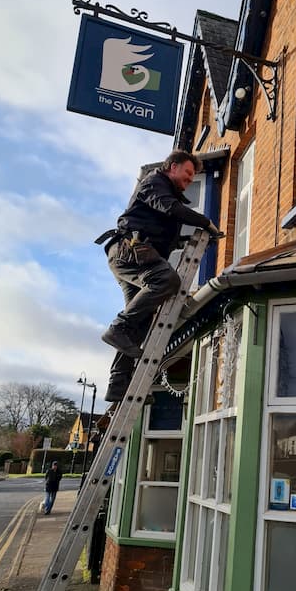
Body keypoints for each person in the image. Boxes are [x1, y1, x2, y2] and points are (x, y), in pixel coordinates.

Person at [96, 150, 222, 404]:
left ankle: (118, 385)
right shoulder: (155, 183)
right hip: (129, 249)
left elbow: (166, 227)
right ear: (172, 167)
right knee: (165, 279)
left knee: (140, 320)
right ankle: (117, 328)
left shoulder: (167, 195)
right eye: (187, 174)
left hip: (134, 254)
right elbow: (169, 207)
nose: (188, 180)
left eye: (192, 177)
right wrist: (205, 222)